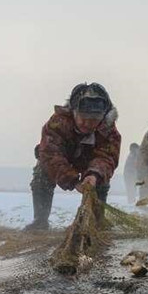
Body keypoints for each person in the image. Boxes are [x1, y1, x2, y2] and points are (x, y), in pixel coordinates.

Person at [23, 83, 121, 231]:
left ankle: (96, 220)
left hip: (90, 161)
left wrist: (94, 175)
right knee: (42, 172)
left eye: (94, 119)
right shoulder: (57, 123)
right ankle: (40, 219)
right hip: (63, 159)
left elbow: (107, 157)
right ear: (74, 112)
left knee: (101, 178)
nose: (88, 124)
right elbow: (50, 154)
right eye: (84, 118)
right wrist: (72, 180)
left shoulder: (108, 130)